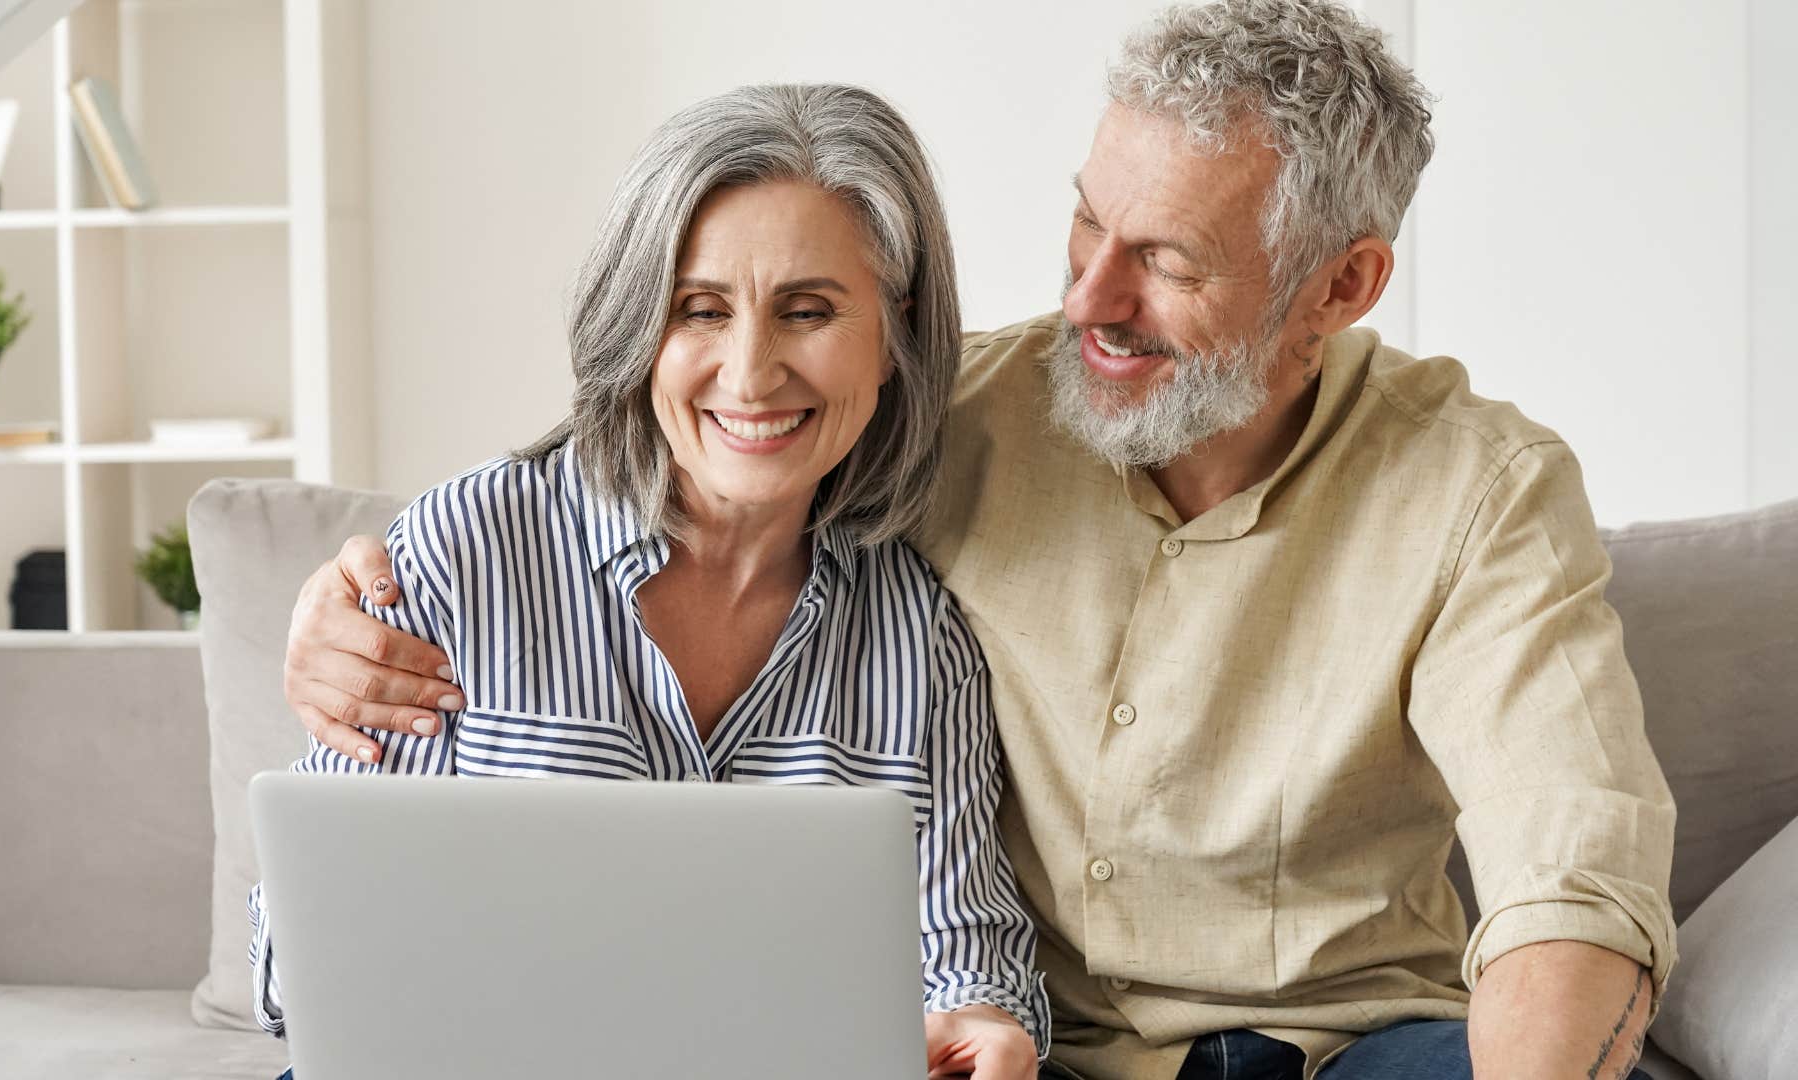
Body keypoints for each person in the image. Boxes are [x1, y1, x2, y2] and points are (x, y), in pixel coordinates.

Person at [281, 3, 1675, 1078]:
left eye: (1169, 262)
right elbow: (704, 413)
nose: (1089, 298)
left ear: (1345, 283)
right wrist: (338, 612)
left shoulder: (1477, 491)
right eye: (1085, 220)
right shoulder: (944, 415)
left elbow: (1570, 867)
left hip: (1351, 1045)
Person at [251, 83, 1050, 1080]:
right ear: (637, 331)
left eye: (808, 311)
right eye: (700, 311)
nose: (751, 374)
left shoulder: (919, 638)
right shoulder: (467, 551)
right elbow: (306, 959)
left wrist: (988, 1025)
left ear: (893, 340)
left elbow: (968, 954)